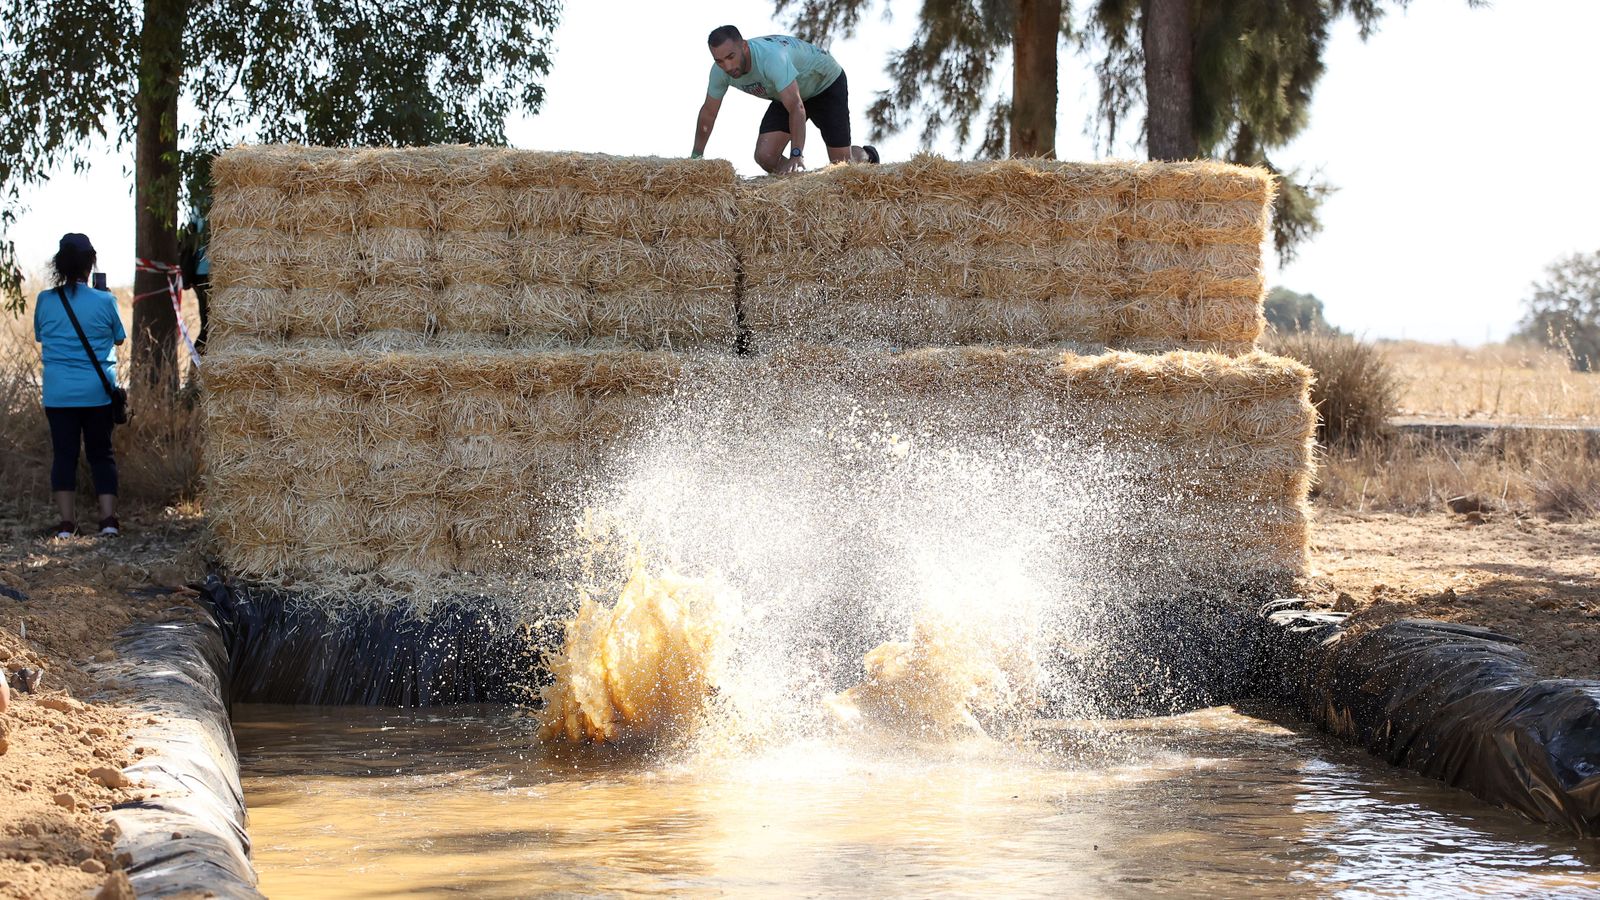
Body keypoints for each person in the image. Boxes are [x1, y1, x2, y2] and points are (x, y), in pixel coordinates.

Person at [33, 233, 125, 538]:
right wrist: (103, 299)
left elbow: (42, 336)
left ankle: (66, 524)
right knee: (102, 454)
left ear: (60, 264)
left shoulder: (45, 301)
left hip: (58, 395)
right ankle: (109, 521)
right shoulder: (105, 300)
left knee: (64, 455)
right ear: (90, 264)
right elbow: (119, 338)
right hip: (97, 394)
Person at [692, 26, 879, 174]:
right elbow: (708, 113)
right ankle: (801, 185)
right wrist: (696, 157)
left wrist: (796, 154)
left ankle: (867, 155)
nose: (728, 66)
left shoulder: (771, 59)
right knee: (766, 156)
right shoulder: (719, 73)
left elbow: (797, 108)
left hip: (824, 82)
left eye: (731, 57)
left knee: (843, 167)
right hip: (786, 92)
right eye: (720, 61)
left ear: (744, 47)